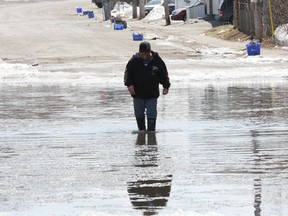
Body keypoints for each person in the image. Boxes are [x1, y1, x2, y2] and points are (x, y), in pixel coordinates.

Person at [124, 41, 171, 132]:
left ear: (149, 51)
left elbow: (163, 74)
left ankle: (151, 133)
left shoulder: (157, 61)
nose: (145, 55)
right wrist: (129, 85)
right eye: (143, 53)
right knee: (139, 114)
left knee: (151, 114)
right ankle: (141, 131)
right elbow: (127, 74)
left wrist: (166, 86)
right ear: (139, 52)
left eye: (146, 53)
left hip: (152, 93)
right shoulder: (134, 61)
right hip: (137, 93)